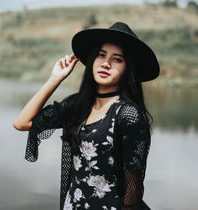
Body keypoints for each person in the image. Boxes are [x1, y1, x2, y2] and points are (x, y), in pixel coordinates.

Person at [13, 22, 160, 210]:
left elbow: (133, 190)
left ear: (127, 69)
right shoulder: (76, 105)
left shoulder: (127, 114)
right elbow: (22, 123)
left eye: (117, 59)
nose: (106, 63)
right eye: (101, 55)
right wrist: (55, 79)